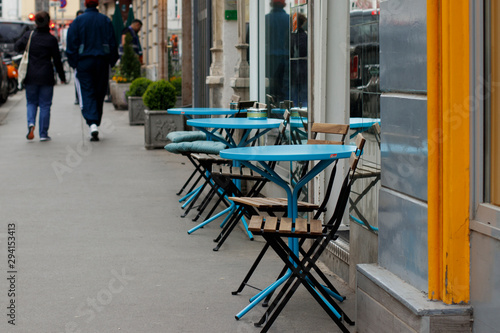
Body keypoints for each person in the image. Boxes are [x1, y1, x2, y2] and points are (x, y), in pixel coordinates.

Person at [66, 0, 119, 141]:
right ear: (96, 4)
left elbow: (71, 43)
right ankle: (95, 121)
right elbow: (113, 42)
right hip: (102, 61)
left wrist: (74, 62)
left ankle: (92, 122)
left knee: (86, 91)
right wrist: (111, 61)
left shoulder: (78, 21)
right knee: (99, 92)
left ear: (85, 4)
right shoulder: (105, 20)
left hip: (84, 62)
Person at [15, 11, 66, 142]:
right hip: (46, 76)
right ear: (48, 22)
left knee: (31, 102)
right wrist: (62, 76)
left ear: (36, 22)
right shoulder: (51, 40)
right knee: (45, 105)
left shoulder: (29, 36)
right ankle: (43, 133)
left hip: (30, 75)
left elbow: (16, 47)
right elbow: (57, 60)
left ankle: (31, 123)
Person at [265, 0, 290, 103]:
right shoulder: (289, 19)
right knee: (284, 86)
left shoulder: (266, 19)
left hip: (270, 57)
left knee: (271, 86)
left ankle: (272, 106)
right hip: (286, 56)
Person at [73, 9, 84, 106]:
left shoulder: (86, 26)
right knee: (78, 82)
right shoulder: (74, 27)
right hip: (79, 61)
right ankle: (78, 98)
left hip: (86, 59)